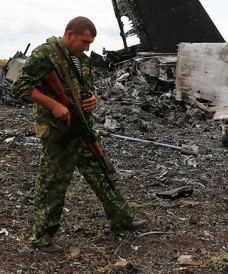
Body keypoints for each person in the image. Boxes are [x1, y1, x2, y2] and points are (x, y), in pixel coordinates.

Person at [12, 16, 144, 253]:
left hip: (82, 127)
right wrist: (53, 105)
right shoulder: (46, 54)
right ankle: (41, 237)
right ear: (70, 34)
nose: (87, 47)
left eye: (90, 43)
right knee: (52, 185)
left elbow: (83, 89)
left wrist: (92, 99)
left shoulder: (81, 60)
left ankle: (121, 219)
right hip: (59, 132)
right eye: (84, 42)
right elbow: (19, 86)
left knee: (103, 172)